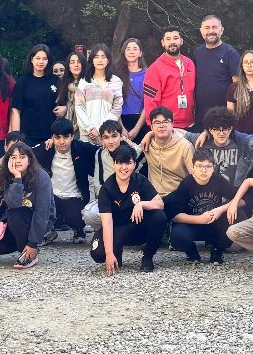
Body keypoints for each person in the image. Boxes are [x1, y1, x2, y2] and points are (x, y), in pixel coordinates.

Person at [92, 142, 165, 273]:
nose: (124, 167)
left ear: (135, 165)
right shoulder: (107, 189)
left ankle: (147, 257)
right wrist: (109, 253)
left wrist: (141, 204)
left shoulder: (140, 180)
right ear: (114, 164)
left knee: (159, 216)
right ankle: (116, 252)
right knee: (98, 254)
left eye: (128, 163)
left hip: (137, 226)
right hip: (117, 229)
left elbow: (160, 203)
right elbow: (107, 223)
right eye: (120, 163)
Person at [0, 142, 55, 268]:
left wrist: (33, 243)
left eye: (22, 157)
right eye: (14, 157)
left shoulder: (41, 177)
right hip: (16, 220)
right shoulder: (8, 176)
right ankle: (22, 245)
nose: (18, 160)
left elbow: (42, 212)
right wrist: (17, 178)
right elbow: (13, 203)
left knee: (16, 214)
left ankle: (30, 254)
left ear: (29, 160)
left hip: (38, 219)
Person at [164, 149, 234, 263]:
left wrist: (221, 209)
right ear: (193, 167)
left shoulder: (218, 180)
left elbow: (241, 199)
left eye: (208, 166)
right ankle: (191, 252)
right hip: (192, 224)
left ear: (213, 167)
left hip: (213, 222)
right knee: (177, 235)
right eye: (199, 166)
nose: (203, 170)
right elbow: (175, 216)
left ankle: (217, 250)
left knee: (233, 218)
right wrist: (200, 219)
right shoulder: (186, 184)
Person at [36, 118, 96, 242]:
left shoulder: (81, 148)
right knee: (35, 205)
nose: (62, 141)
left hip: (74, 196)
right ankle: (48, 231)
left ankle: (79, 230)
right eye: (57, 137)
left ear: (72, 137)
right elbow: (25, 153)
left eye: (66, 137)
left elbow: (103, 150)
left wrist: (125, 141)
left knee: (75, 217)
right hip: (51, 196)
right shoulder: (46, 148)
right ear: (52, 137)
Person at [138, 27, 197, 135]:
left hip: (190, 123)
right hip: (168, 126)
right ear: (163, 43)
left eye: (175, 38)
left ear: (181, 41)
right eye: (168, 39)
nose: (172, 42)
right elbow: (150, 101)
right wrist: (154, 127)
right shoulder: (155, 68)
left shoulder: (190, 63)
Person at [10, 43, 60, 148]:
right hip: (27, 136)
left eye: (44, 59)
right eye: (37, 58)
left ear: (48, 61)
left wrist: (64, 108)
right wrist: (16, 137)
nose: (41, 62)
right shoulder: (22, 82)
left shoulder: (55, 80)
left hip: (51, 136)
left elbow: (63, 103)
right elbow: (16, 111)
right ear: (32, 59)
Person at [193, 15, 242, 118]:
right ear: (201, 31)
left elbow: (238, 86)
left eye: (214, 27)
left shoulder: (231, 53)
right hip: (201, 115)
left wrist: (233, 114)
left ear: (221, 30)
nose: (211, 31)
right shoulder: (197, 53)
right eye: (207, 28)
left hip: (223, 115)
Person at [138, 106, 194, 196]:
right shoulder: (147, 144)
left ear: (172, 124)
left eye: (165, 122)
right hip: (153, 196)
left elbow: (194, 176)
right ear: (151, 127)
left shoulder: (185, 146)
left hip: (177, 195)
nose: (161, 125)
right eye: (157, 123)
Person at [74, 45, 123, 145]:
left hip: (108, 134)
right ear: (92, 60)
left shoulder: (116, 81)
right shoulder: (84, 81)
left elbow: (117, 108)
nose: (100, 60)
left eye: (103, 57)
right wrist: (90, 128)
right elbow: (79, 107)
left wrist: (103, 129)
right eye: (96, 57)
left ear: (108, 60)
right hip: (88, 133)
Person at [118, 38, 148, 134]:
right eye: (128, 49)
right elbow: (113, 103)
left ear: (140, 53)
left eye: (135, 49)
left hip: (142, 121)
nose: (131, 52)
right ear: (124, 52)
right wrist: (121, 128)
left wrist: (136, 129)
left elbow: (149, 102)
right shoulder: (116, 75)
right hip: (121, 121)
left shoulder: (148, 74)